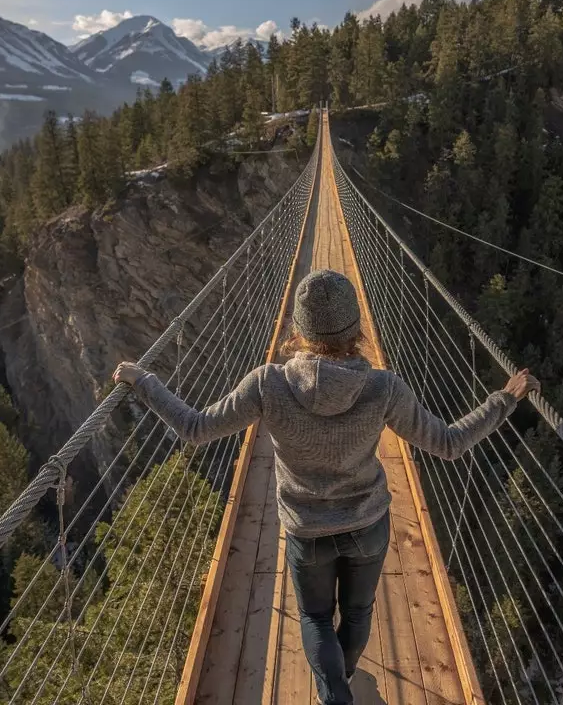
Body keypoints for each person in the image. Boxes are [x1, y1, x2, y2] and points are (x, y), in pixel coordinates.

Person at [113, 269, 539, 705]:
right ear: (356, 328)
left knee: (315, 617)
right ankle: (343, 676)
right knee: (358, 611)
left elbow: (194, 428)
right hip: (367, 525)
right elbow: (448, 444)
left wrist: (144, 381)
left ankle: (335, 694)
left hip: (306, 530)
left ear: (297, 329)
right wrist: (503, 398)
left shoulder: (267, 383)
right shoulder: (383, 387)